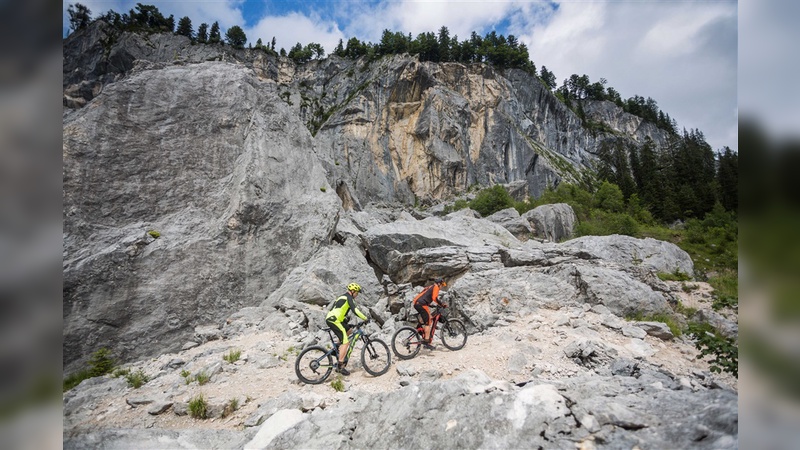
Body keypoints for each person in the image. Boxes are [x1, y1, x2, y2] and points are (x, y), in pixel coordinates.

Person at [325, 283, 369, 376]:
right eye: (357, 293)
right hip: (335, 320)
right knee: (346, 342)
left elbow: (337, 310)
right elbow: (355, 310)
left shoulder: (341, 297)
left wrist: (346, 322)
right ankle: (340, 366)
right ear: (352, 291)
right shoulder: (349, 298)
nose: (357, 295)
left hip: (333, 318)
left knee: (349, 330)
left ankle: (337, 348)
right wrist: (365, 318)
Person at [412, 278, 447, 349]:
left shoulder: (430, 287)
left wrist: (430, 305)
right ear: (439, 283)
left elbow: (424, 296)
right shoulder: (436, 287)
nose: (442, 287)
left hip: (417, 303)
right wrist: (442, 304)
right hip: (421, 304)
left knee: (428, 317)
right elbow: (435, 298)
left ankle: (420, 330)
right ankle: (427, 342)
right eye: (442, 285)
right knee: (428, 322)